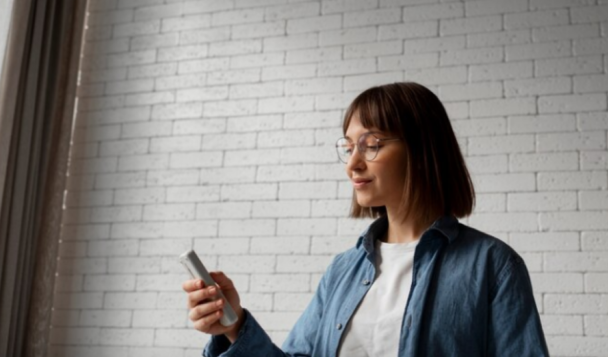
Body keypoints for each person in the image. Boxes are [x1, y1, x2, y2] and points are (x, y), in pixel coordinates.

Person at [182, 82, 550, 356]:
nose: (353, 164)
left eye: (371, 144)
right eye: (348, 146)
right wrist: (235, 326)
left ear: (422, 149)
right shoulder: (344, 270)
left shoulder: (492, 265)